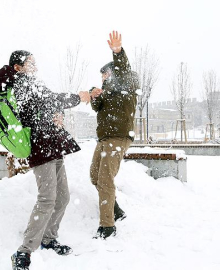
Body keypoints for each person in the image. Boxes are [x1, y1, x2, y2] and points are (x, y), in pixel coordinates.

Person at [0, 50, 94, 270]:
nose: (35, 66)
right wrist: (78, 97)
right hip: (40, 147)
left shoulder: (31, 82)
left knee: (63, 197)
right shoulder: (19, 83)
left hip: (53, 144)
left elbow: (50, 103)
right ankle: (23, 251)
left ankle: (48, 238)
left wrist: (60, 115)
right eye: (31, 63)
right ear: (18, 67)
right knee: (47, 199)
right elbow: (50, 99)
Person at [89, 31, 139, 239]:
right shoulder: (107, 91)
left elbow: (124, 70)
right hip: (104, 139)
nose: (104, 79)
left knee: (105, 180)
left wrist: (117, 52)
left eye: (106, 75)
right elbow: (97, 107)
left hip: (118, 138)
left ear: (114, 73)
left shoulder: (127, 83)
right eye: (102, 77)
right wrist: (94, 95)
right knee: (95, 176)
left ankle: (107, 226)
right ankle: (115, 209)